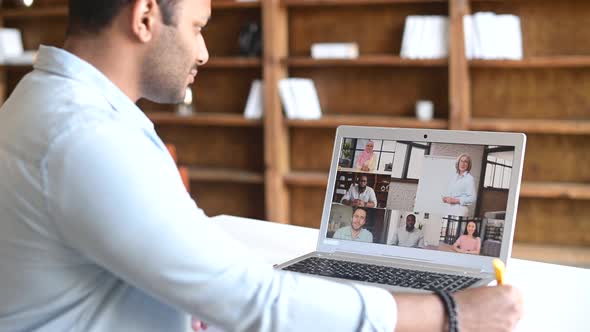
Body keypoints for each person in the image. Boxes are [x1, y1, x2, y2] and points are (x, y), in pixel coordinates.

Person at [0, 1, 524, 331]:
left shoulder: (49, 101)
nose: (203, 52)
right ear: (144, 18)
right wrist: (453, 315)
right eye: (199, 27)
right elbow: (257, 304)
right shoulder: (83, 136)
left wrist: (198, 299)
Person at [442, 153, 476, 217]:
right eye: (461, 161)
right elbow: (450, 192)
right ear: (458, 163)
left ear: (468, 165)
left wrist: (456, 200)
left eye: (466, 162)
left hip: (460, 210)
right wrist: (445, 198)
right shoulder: (454, 177)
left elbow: (472, 198)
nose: (463, 164)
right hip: (448, 209)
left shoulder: (469, 178)